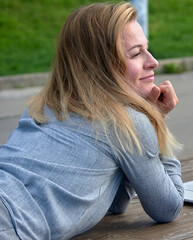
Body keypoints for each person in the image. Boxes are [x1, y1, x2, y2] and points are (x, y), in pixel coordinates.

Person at [0, 2, 183, 239]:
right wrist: (155, 122)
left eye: (147, 49)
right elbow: (169, 207)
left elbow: (111, 204)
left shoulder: (43, 107)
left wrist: (147, 124)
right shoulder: (126, 122)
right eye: (136, 53)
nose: (153, 61)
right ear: (100, 66)